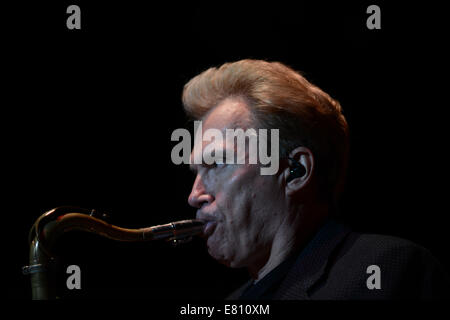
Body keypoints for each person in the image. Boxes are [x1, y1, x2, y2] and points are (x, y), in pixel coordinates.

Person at [183, 59, 449, 299]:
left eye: (217, 163)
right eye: (196, 171)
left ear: (296, 171)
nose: (194, 196)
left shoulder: (384, 269)